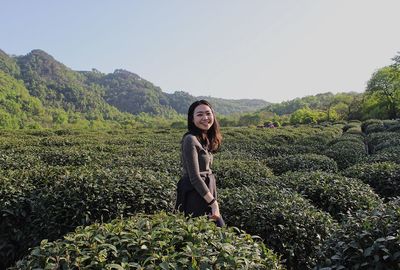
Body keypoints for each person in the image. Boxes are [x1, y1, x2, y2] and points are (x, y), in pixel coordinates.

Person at [175, 100, 225, 227]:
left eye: (208, 113)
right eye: (200, 114)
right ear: (192, 119)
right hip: (195, 195)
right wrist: (213, 203)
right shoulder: (190, 139)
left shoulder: (204, 139)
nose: (205, 118)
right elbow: (195, 177)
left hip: (205, 192)